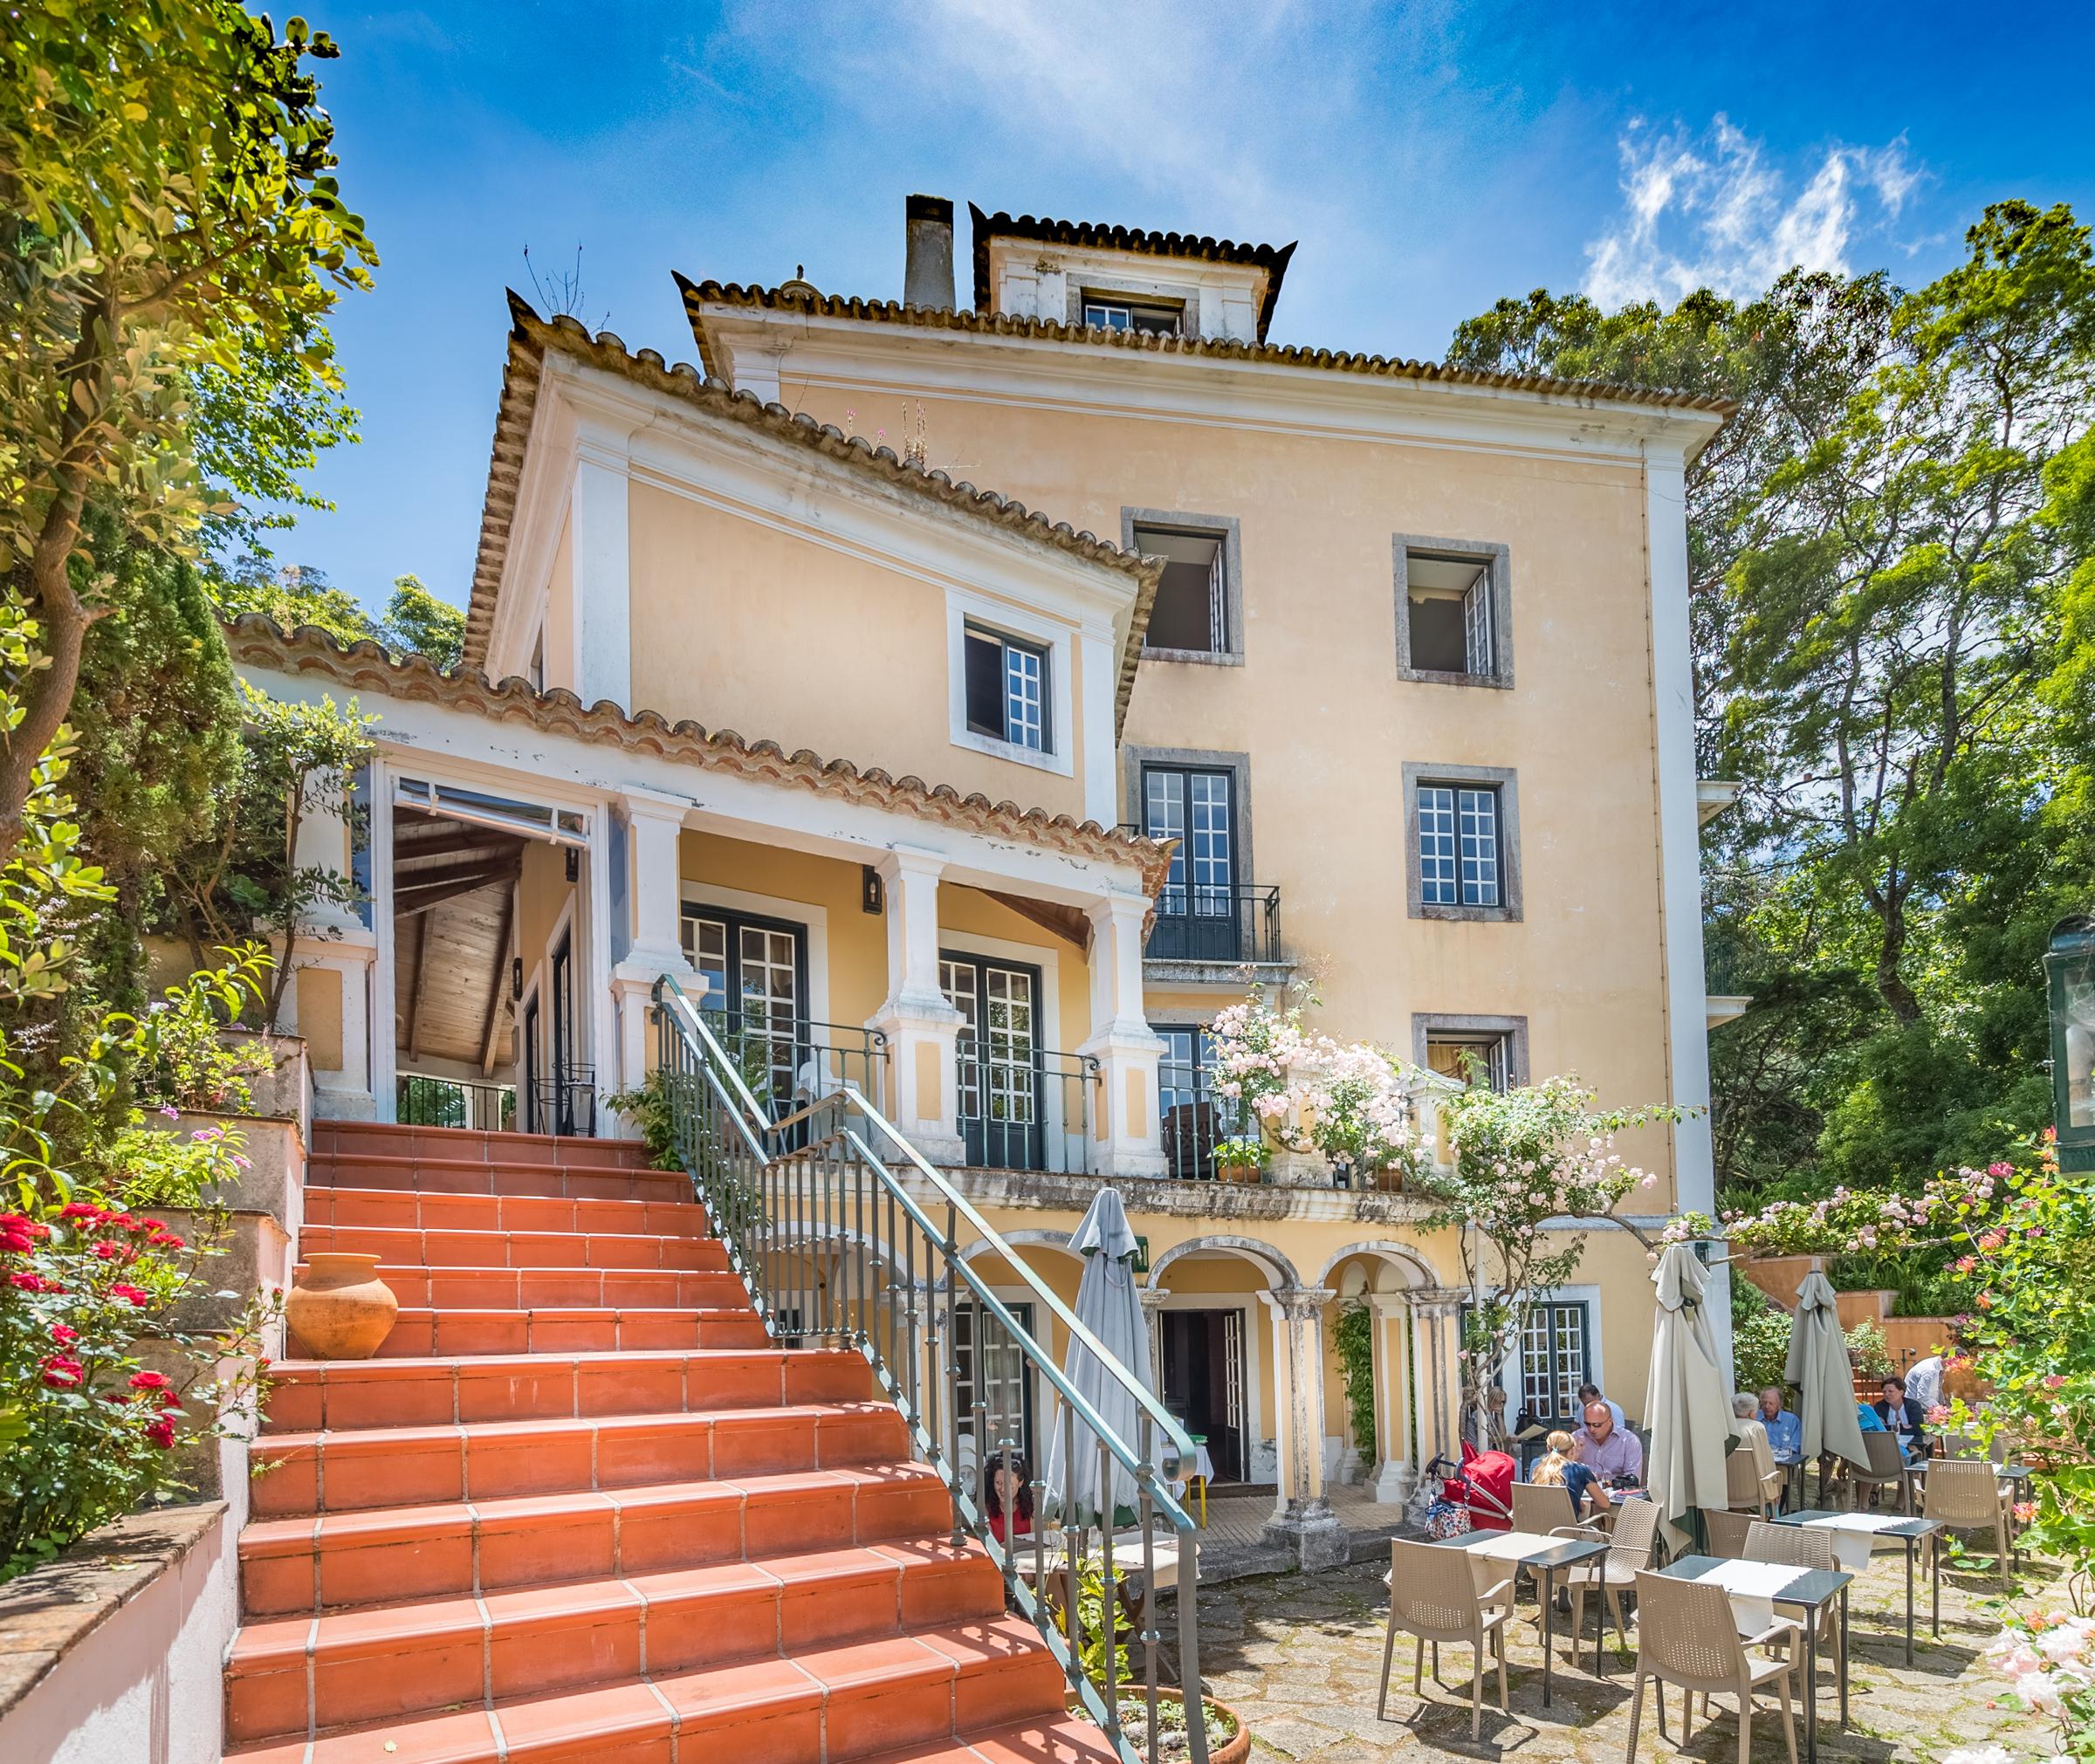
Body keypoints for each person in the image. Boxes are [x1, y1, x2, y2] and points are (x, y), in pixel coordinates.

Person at [1532, 1429, 1613, 1519]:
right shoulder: (1579, 1470)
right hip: (1566, 1530)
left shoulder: (1537, 1467)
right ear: (1572, 1450)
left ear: (1548, 1449)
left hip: (1535, 1529)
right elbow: (1604, 1503)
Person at [1572, 1399, 1644, 1484]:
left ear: (1610, 1421)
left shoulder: (1629, 1441)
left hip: (1616, 1493)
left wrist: (1607, 1482)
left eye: (1597, 1425)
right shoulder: (1576, 1437)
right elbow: (1563, 1471)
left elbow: (1633, 1480)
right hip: (1582, 1492)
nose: (1592, 1429)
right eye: (1587, 1424)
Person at [1874, 1376, 1930, 1463]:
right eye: (1884, 1392)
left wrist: (1893, 1427)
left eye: (1890, 1391)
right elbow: (1880, 1428)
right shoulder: (1880, 1406)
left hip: (1912, 1443)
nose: (1887, 1394)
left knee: (1913, 1453)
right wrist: (1905, 1427)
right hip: (1888, 1444)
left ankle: (1909, 1475)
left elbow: (1918, 1429)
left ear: (1901, 1392)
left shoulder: (1913, 1405)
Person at [984, 1450, 1034, 1546]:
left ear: (1021, 1482)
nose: (1003, 1489)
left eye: (1009, 1484)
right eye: (998, 1483)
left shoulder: (1032, 1507)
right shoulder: (986, 1509)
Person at [1757, 1387, 1803, 1464]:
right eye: (1764, 1403)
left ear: (1780, 1404)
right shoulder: (1755, 1418)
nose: (1767, 1406)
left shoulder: (1791, 1420)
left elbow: (1795, 1447)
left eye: (1771, 1403)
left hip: (1785, 1464)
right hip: (1759, 1462)